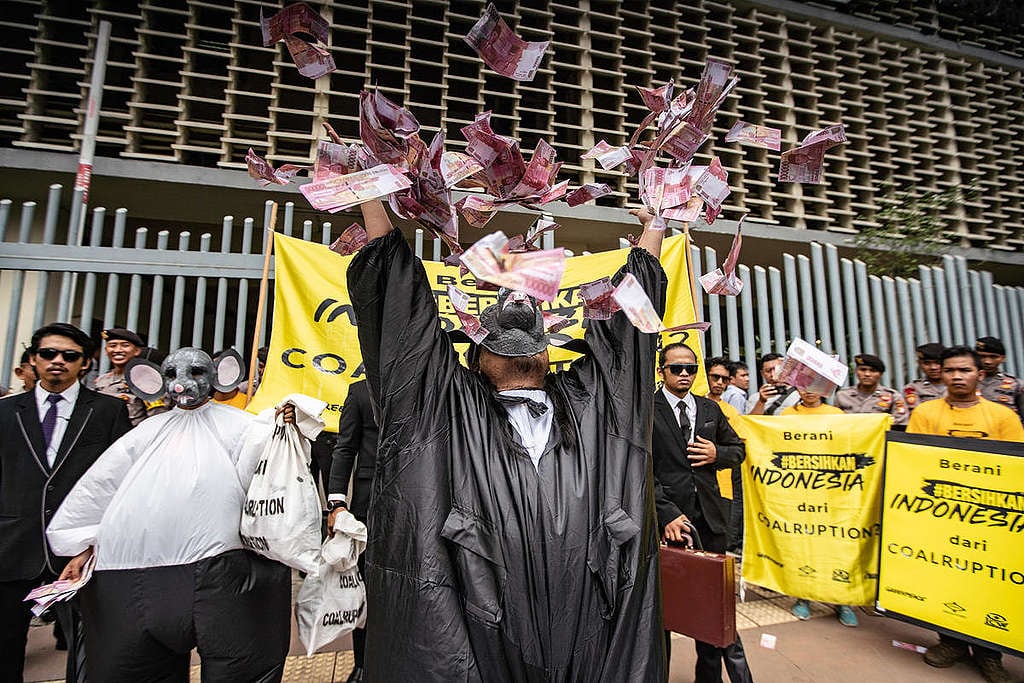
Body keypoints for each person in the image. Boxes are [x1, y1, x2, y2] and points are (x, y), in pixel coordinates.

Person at [346, 199, 667, 681]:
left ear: (549, 354)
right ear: (475, 359)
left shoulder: (596, 407)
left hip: (591, 646)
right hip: (475, 647)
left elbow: (631, 336)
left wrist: (655, 230)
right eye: (500, 340)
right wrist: (374, 192)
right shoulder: (441, 409)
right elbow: (399, 316)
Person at [47, 348, 313, 683]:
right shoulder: (146, 433)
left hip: (224, 575)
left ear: (221, 375)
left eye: (197, 372)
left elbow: (270, 478)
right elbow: (102, 485)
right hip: (133, 579)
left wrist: (283, 428)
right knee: (133, 667)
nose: (182, 383)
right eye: (171, 374)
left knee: (242, 665)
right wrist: (81, 544)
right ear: (154, 381)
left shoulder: (245, 427)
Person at [0, 323, 131, 683]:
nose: (58, 361)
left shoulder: (108, 412)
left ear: (85, 364)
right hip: (11, 548)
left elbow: (118, 481)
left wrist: (93, 543)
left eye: (69, 356)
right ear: (32, 359)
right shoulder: (6, 412)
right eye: (48, 354)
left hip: (78, 553)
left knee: (88, 651)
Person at [907, 345, 1023, 683]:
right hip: (938, 515)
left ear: (980, 375)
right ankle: (950, 643)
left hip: (989, 520)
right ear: (941, 375)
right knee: (945, 579)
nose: (957, 377)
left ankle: (990, 653)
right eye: (951, 371)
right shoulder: (925, 414)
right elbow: (913, 461)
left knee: (985, 585)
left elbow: (1015, 467)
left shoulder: (1004, 417)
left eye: (965, 371)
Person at [653, 345, 753, 683]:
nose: (684, 374)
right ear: (661, 370)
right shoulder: (645, 409)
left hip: (710, 523)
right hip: (666, 526)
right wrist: (665, 513)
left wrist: (717, 453)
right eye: (676, 368)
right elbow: (640, 467)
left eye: (690, 368)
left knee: (711, 608)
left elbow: (738, 450)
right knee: (662, 612)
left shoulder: (710, 409)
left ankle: (708, 677)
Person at [780, 388, 859, 627]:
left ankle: (842, 601)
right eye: (804, 385)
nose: (809, 391)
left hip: (832, 493)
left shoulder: (836, 414)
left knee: (836, 545)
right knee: (802, 544)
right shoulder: (787, 415)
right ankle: (802, 597)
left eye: (816, 385)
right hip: (799, 490)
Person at [326, 380, 379, 683]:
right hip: (366, 506)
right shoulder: (359, 392)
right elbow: (345, 447)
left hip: (414, 503)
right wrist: (336, 503)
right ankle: (361, 664)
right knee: (363, 591)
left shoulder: (419, 382)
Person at [703, 357, 744, 552]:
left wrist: (717, 453)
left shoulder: (731, 412)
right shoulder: (692, 402)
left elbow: (738, 448)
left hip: (723, 485)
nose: (720, 383)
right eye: (715, 377)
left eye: (725, 379)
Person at [91, 327, 168, 426]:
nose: (118, 350)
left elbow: (157, 420)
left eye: (125, 345)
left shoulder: (148, 381)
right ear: (106, 350)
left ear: (137, 351)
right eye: (112, 346)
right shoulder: (101, 380)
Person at [834, 354, 908, 425]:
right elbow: (835, 422)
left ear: (880, 374)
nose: (867, 374)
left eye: (873, 371)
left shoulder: (893, 396)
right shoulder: (842, 395)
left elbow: (899, 424)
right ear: (856, 371)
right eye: (863, 370)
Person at [975, 336, 1024, 418]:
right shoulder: (966, 382)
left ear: (1003, 358)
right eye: (982, 356)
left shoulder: (1016, 385)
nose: (987, 361)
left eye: (993, 357)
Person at [902, 342, 946, 414]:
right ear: (919, 364)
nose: (933, 367)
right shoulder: (913, 388)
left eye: (938, 363)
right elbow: (916, 413)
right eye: (927, 363)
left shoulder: (957, 384)